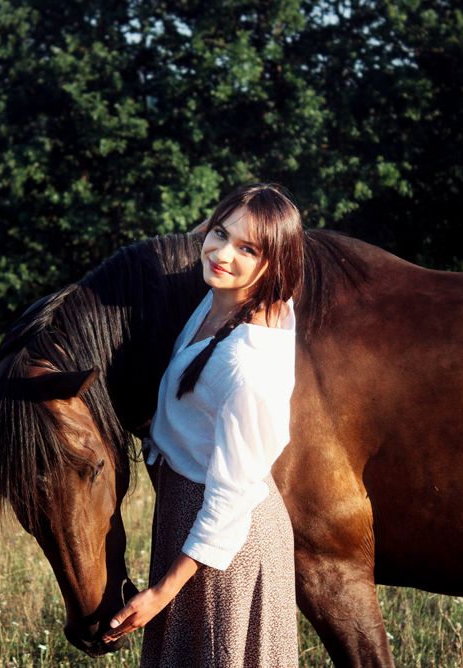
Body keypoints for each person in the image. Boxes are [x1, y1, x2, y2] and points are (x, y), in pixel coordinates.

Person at [103, 183, 305, 666]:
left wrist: (160, 593)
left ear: (274, 264)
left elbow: (232, 496)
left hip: (224, 540)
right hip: (186, 509)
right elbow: (221, 242)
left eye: (247, 249)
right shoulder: (225, 300)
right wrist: (223, 232)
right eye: (220, 233)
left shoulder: (247, 363)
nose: (222, 254)